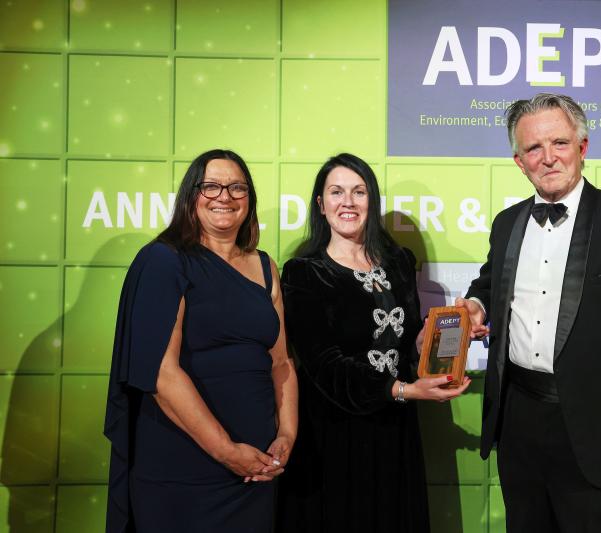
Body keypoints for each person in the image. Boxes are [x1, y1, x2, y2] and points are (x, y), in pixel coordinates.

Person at [457, 93, 601, 532]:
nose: (548, 158)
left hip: (600, 434)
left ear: (582, 148)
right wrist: (476, 303)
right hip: (518, 425)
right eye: (533, 149)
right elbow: (492, 280)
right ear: (518, 161)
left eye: (559, 143)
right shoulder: (507, 222)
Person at [103, 149, 298, 532]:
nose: (224, 196)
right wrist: (226, 451)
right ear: (191, 195)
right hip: (183, 473)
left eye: (237, 187)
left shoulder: (265, 266)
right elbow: (162, 373)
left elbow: (281, 363)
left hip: (255, 473)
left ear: (249, 199)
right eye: (211, 186)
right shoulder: (163, 260)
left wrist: (287, 435)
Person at [276, 153, 470, 532]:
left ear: (372, 201)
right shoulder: (304, 273)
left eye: (358, 192)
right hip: (333, 435)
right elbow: (323, 365)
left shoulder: (398, 262)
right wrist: (403, 390)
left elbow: (406, 340)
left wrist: (445, 337)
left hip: (394, 431)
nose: (347, 202)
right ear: (320, 204)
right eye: (336, 192)